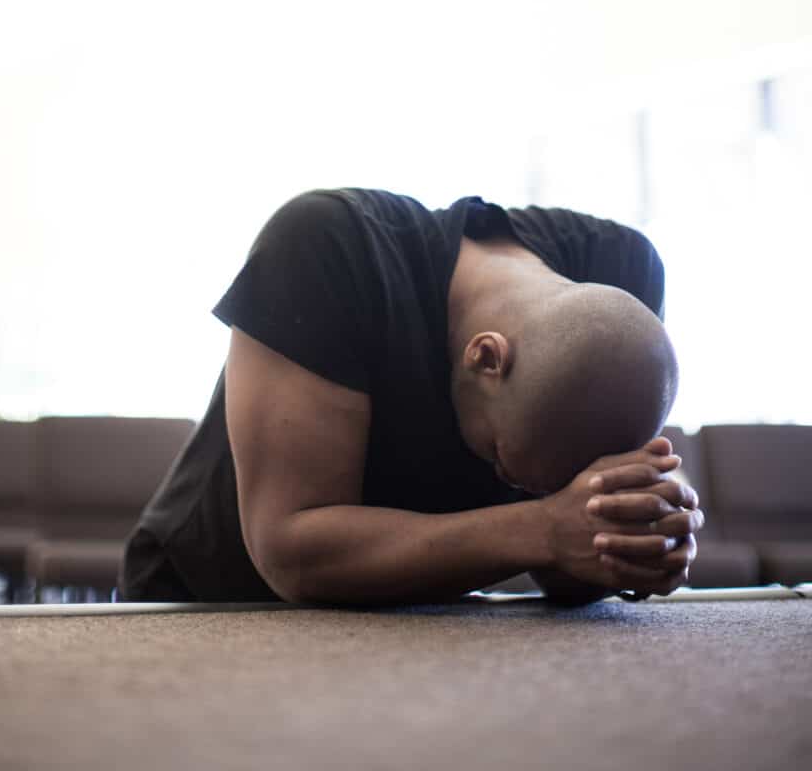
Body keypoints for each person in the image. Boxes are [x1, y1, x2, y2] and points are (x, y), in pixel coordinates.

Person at [119, 188, 703, 605]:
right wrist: (547, 528)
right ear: (487, 358)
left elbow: (567, 570)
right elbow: (291, 552)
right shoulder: (323, 249)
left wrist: (626, 533)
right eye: (502, 458)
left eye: (549, 486)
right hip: (212, 598)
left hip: (422, 618)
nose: (526, 491)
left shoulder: (623, 274)